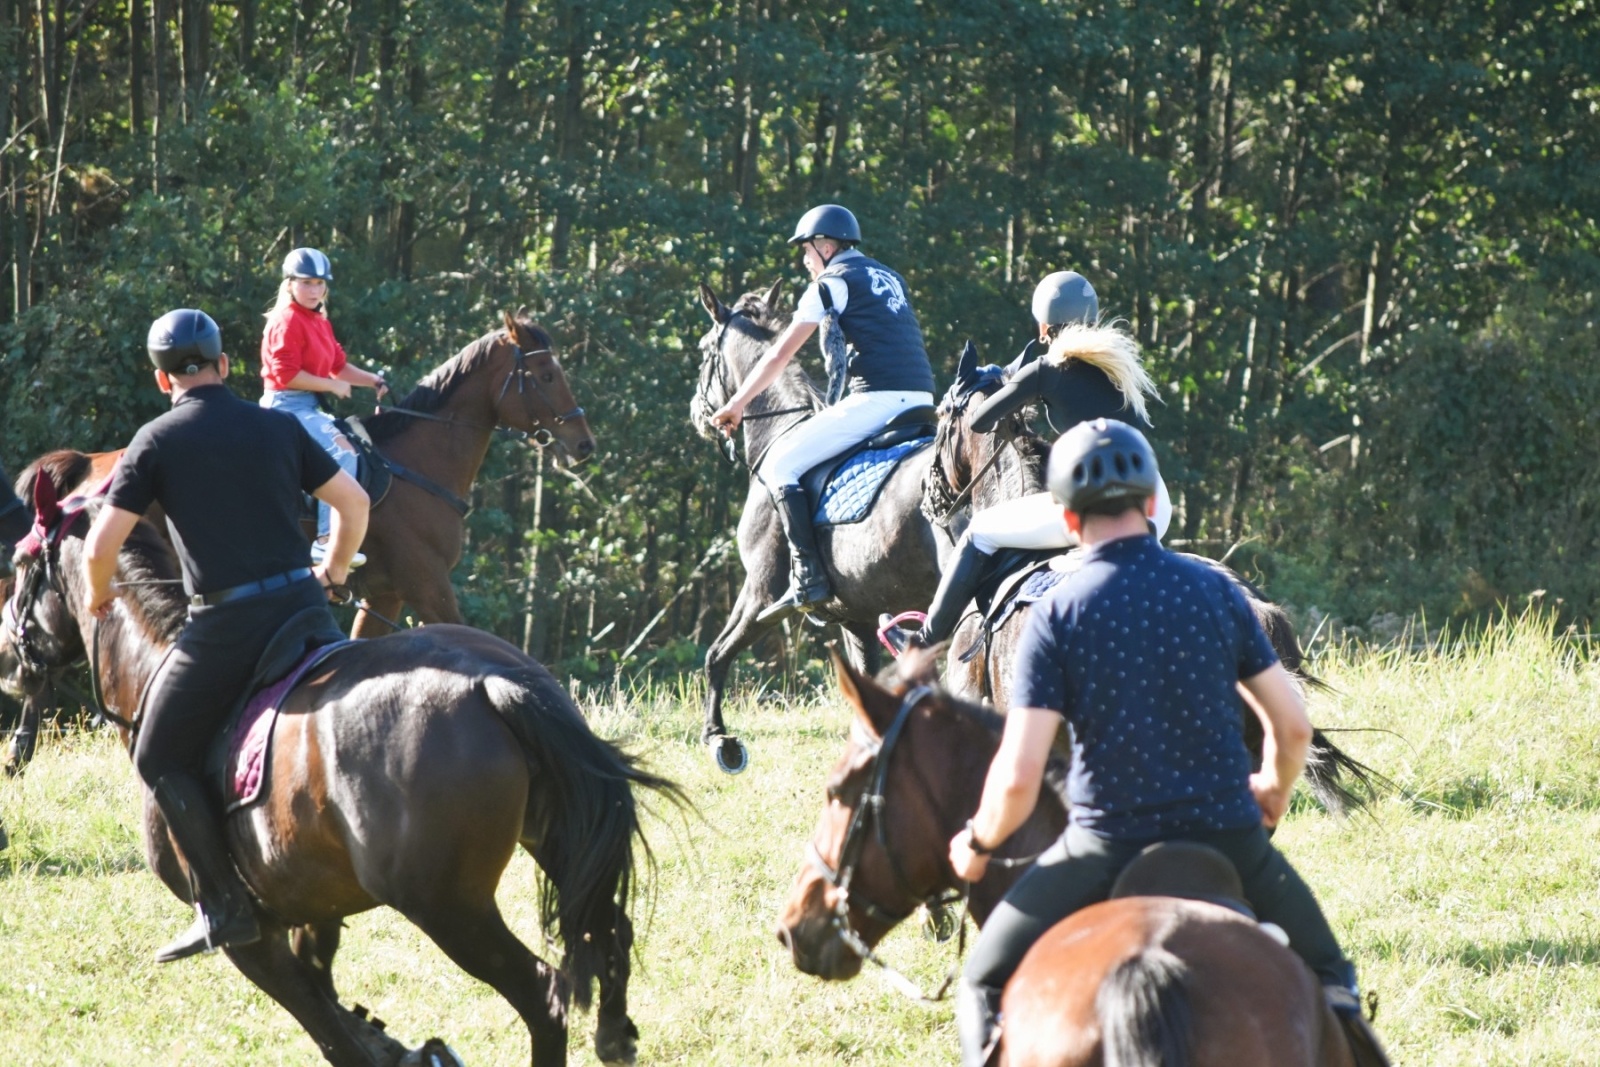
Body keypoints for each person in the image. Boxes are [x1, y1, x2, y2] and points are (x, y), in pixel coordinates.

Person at [948, 419, 1367, 1066]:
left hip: (1103, 844)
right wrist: (1273, 791)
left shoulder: (1055, 614)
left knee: (982, 978)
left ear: (1064, 516)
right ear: (1151, 504)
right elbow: (1293, 726)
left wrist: (975, 844)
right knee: (1334, 977)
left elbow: (1018, 775)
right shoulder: (1217, 591)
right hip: (1227, 833)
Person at [84, 308, 369, 962]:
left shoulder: (156, 441)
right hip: (304, 610)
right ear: (226, 364)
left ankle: (223, 902)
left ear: (162, 381)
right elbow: (355, 505)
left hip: (227, 628)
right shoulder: (277, 425)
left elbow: (102, 544)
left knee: (157, 755)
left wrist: (99, 593)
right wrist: (334, 568)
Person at [884, 271, 1172, 652]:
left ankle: (921, 641)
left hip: (1096, 509)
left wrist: (1015, 389)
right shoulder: (1117, 365)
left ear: (1043, 327)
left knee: (978, 532)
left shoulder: (1046, 372)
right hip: (1155, 505)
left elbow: (979, 420)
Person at [711, 205, 936, 621]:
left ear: (826, 246)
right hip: (923, 398)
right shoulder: (891, 277)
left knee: (780, 465)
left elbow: (779, 354)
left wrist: (736, 404)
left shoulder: (829, 284)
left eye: (807, 253)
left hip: (877, 401)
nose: (804, 262)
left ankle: (809, 575)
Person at [259, 246, 386, 565]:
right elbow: (285, 375)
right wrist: (331, 385)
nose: (315, 290)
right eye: (307, 283)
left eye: (320, 283)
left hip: (309, 406)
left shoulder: (318, 321)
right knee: (342, 454)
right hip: (285, 406)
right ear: (290, 284)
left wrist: (372, 380)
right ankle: (326, 540)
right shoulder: (286, 320)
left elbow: (338, 365)